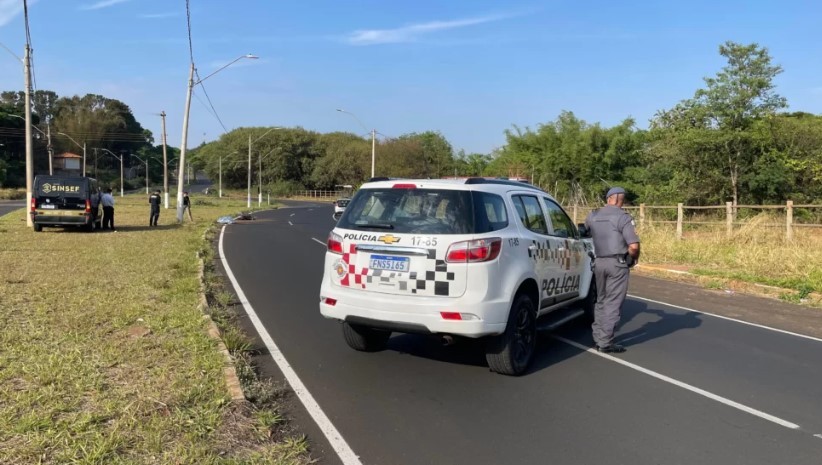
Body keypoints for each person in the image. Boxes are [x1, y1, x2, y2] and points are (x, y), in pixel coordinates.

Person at [585, 187, 640, 353]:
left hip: (599, 263)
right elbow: (633, 245)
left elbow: (583, 231)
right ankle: (605, 342)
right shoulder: (623, 217)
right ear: (620, 200)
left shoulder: (592, 216)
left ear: (609, 198)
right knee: (613, 303)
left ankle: (598, 337)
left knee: (600, 300)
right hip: (617, 264)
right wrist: (631, 257)